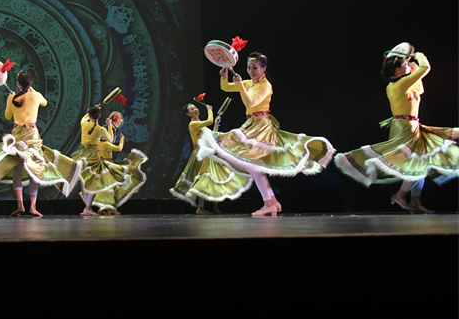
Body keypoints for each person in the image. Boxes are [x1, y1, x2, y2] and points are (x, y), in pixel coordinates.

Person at [193, 52, 335, 216]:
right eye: (248, 67)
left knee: (253, 164)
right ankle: (272, 202)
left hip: (261, 125)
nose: (251, 71)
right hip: (252, 124)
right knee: (254, 166)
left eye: (254, 68)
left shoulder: (265, 86)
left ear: (264, 68)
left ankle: (269, 203)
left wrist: (240, 85)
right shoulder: (250, 83)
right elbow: (225, 87)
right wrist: (224, 77)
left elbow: (250, 102)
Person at [335, 51, 458, 212]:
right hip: (406, 128)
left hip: (411, 125)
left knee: (422, 163)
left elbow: (419, 89)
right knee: (420, 164)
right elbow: (426, 68)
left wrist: (414, 70)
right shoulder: (400, 84)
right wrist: (419, 56)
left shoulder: (401, 84)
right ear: (398, 71)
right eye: (405, 65)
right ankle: (400, 195)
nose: (408, 65)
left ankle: (414, 202)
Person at [0, 71, 82, 217]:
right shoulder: (36, 96)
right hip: (32, 135)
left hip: (18, 136)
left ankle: (20, 205)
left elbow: (7, 116)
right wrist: (29, 90)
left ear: (18, 84)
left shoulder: (12, 98)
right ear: (31, 83)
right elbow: (45, 102)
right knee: (35, 170)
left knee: (17, 169)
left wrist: (14, 98)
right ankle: (32, 207)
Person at [72, 106, 143, 216]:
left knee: (85, 181)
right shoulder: (101, 130)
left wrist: (93, 109)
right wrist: (110, 125)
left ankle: (88, 207)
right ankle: (88, 208)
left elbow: (85, 118)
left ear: (89, 115)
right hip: (93, 157)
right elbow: (111, 139)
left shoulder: (84, 123)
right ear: (99, 116)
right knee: (94, 182)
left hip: (81, 155)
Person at [170, 101, 233, 214]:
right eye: (192, 109)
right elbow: (209, 121)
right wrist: (209, 110)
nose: (195, 110)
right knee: (203, 178)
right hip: (201, 153)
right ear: (188, 114)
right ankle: (201, 207)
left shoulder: (200, 124)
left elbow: (211, 137)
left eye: (195, 108)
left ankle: (212, 206)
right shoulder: (193, 124)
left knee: (213, 178)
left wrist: (216, 125)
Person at [91, 111, 148, 215]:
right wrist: (122, 139)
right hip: (106, 165)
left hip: (106, 165)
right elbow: (118, 147)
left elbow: (111, 139)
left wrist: (109, 125)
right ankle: (107, 209)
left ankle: (107, 209)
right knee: (109, 187)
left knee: (109, 187)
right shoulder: (105, 144)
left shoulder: (101, 142)